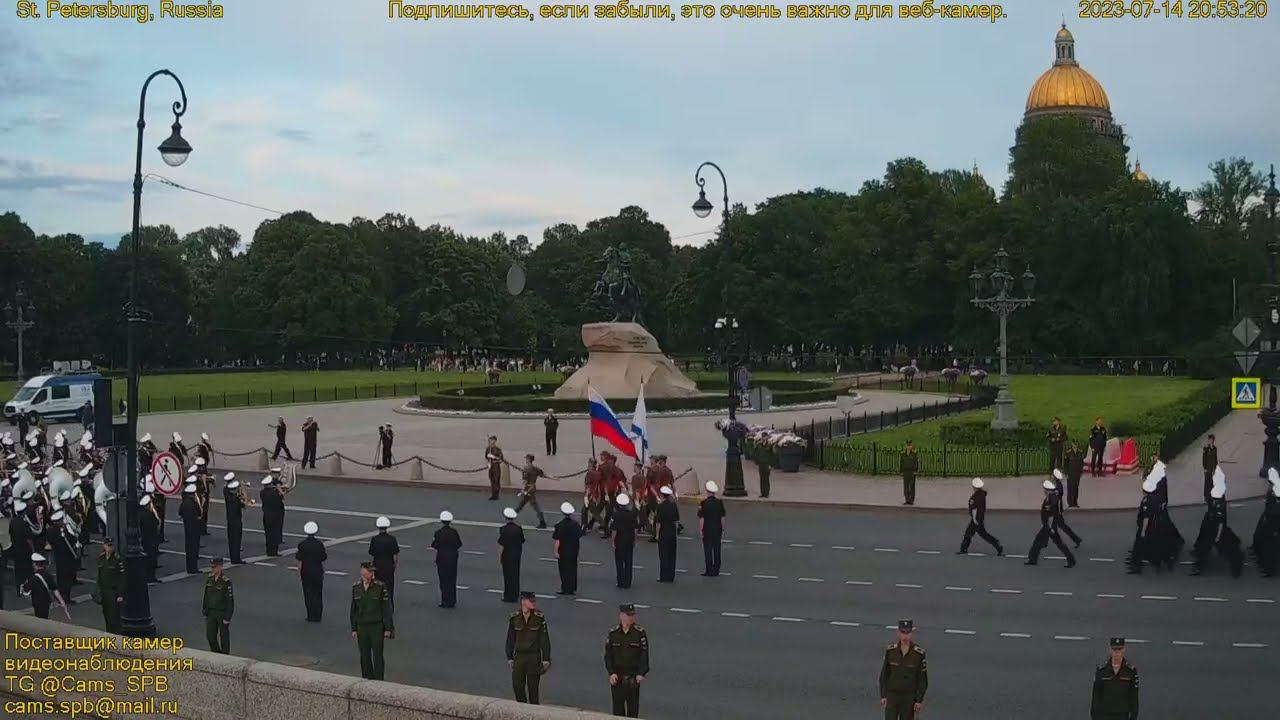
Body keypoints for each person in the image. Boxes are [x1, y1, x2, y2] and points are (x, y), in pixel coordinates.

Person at [1191, 467, 1244, 578]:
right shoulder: (1215, 495)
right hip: (1210, 523)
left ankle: (1236, 564)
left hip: (1216, 528)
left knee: (1226, 546)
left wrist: (1218, 536)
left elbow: (1220, 522)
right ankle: (1199, 560)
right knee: (1205, 544)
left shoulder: (1220, 503)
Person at [604, 603, 650, 717]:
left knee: (633, 709)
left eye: (632, 615)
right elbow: (608, 655)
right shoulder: (613, 633)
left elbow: (644, 654)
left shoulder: (639, 633)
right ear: (621, 616)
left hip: (633, 676)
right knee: (617, 709)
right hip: (618, 676)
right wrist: (611, 673)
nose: (631, 618)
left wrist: (641, 673)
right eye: (628, 615)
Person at [506, 592, 552, 704]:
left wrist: (546, 659)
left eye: (533, 601)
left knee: (533, 689)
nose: (533, 603)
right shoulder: (515, 617)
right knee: (517, 685)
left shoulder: (539, 618)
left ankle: (533, 711)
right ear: (523, 602)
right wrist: (509, 657)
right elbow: (510, 638)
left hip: (533, 657)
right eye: (530, 601)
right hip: (519, 656)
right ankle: (522, 709)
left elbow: (544, 639)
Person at [350, 561, 394, 680]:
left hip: (376, 626)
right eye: (368, 572)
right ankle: (367, 679)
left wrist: (388, 628)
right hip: (362, 626)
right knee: (364, 655)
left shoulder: (380, 587)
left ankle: (379, 680)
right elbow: (354, 610)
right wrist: (354, 628)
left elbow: (386, 608)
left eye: (371, 572)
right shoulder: (356, 587)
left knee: (378, 655)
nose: (371, 574)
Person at [879, 619, 928, 720]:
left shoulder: (918, 654)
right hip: (892, 695)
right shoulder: (891, 651)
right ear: (898, 632)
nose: (905, 636)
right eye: (903, 632)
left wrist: (919, 700)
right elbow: (884, 674)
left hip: (909, 697)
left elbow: (922, 679)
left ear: (911, 633)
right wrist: (883, 695)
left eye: (908, 633)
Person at [1026, 480, 1076, 567]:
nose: (1044, 491)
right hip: (1048, 526)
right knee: (1041, 542)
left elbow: (1052, 514)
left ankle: (1033, 559)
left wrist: (1051, 527)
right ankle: (1033, 559)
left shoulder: (1052, 499)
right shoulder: (1051, 497)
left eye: (1045, 489)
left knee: (1056, 543)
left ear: (1048, 490)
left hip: (1049, 527)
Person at [1090, 637, 1139, 720]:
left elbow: (1134, 696)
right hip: (1104, 715)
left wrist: (1133, 716)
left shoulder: (1130, 671)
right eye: (1114, 650)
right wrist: (1094, 716)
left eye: (1119, 649)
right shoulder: (1102, 670)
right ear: (1110, 650)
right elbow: (1096, 695)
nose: (1117, 653)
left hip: (1122, 715)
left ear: (1124, 650)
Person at [958, 478, 1003, 556]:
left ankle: (997, 545)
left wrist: (975, 519)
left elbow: (974, 509)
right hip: (979, 517)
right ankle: (963, 549)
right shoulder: (982, 494)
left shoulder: (976, 496)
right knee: (970, 533)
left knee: (980, 534)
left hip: (976, 518)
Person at [202, 557, 234, 654]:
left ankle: (225, 656)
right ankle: (216, 653)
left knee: (224, 637)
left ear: (220, 567)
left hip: (221, 612)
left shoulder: (226, 582)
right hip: (211, 612)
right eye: (212, 567)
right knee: (210, 636)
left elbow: (230, 601)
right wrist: (205, 610)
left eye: (215, 567)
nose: (213, 569)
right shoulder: (209, 579)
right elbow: (206, 596)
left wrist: (227, 617)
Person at [297, 521, 327, 622]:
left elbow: (299, 559)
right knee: (318, 593)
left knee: (308, 593)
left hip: (306, 571)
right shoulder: (319, 544)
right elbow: (323, 557)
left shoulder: (302, 545)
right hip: (317, 571)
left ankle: (310, 614)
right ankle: (318, 615)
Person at [431, 511, 462, 608]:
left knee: (443, 580)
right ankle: (452, 600)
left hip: (442, 558)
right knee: (452, 579)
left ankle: (445, 600)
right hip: (453, 558)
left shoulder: (438, 533)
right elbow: (459, 544)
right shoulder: (454, 532)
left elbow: (435, 545)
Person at [21, 553, 66, 619]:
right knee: (45, 617)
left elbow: (27, 590)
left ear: (34, 564)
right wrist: (62, 602)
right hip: (46, 602)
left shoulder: (32, 577)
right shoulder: (48, 575)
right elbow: (55, 590)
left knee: (39, 618)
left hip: (37, 602)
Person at [368, 516, 400, 604]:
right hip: (389, 567)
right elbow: (395, 555)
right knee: (389, 588)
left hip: (378, 567)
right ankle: (389, 605)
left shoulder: (374, 539)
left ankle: (379, 605)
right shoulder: (392, 539)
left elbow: (372, 554)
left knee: (378, 588)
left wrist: (371, 568)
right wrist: (394, 567)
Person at [48, 511, 79, 602]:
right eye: (60, 520)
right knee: (63, 577)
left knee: (66, 576)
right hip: (61, 556)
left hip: (67, 556)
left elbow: (72, 539)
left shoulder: (63, 529)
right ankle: (64, 596)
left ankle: (66, 596)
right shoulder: (52, 531)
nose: (62, 522)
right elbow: (56, 542)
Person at [698, 481, 726, 576]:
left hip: (707, 529)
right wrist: (723, 529)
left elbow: (702, 518)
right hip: (717, 529)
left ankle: (709, 569)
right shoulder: (719, 503)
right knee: (717, 549)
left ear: (707, 491)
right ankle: (716, 569)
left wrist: (701, 530)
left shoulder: (703, 503)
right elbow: (722, 517)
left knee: (708, 550)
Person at [553, 502, 582, 595]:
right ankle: (572, 588)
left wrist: (556, 551)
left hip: (563, 549)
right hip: (574, 549)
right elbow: (579, 535)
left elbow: (558, 540)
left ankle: (565, 588)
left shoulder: (559, 525)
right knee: (573, 568)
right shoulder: (576, 524)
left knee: (563, 569)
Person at [96, 538, 123, 633]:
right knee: (106, 614)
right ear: (104, 546)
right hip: (104, 590)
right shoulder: (101, 558)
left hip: (113, 591)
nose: (110, 548)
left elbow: (121, 578)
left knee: (114, 616)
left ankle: (115, 634)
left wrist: (120, 594)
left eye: (111, 546)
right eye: (108, 546)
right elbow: (99, 575)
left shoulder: (117, 559)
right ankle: (109, 633)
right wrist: (98, 589)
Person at [1050, 469, 1083, 548]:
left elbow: (1057, 499)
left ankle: (1076, 539)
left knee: (1062, 526)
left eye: (1053, 476)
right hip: (1056, 509)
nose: (1052, 477)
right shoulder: (1057, 485)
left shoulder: (1058, 486)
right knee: (1054, 527)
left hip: (1057, 510)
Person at [611, 493, 637, 589]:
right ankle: (628, 581)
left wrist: (613, 541)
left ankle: (620, 581)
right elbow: (635, 529)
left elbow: (614, 530)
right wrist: (635, 539)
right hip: (629, 539)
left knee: (619, 561)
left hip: (620, 539)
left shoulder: (616, 515)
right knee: (628, 561)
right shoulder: (632, 515)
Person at [498, 507, 524, 602]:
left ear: (506, 518)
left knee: (507, 576)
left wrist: (500, 557)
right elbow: (522, 540)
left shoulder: (503, 529)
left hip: (507, 554)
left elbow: (502, 545)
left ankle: (508, 595)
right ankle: (515, 594)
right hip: (516, 554)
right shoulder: (518, 529)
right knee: (515, 574)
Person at [515, 454, 548, 529]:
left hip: (528, 489)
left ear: (528, 459)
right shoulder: (536, 468)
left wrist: (523, 489)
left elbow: (525, 481)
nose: (526, 460)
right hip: (533, 487)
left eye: (526, 459)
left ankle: (542, 522)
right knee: (522, 503)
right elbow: (543, 474)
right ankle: (512, 515)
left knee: (535, 505)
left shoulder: (526, 469)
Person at [654, 486, 679, 582]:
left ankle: (664, 576)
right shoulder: (673, 505)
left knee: (663, 555)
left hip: (663, 532)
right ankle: (671, 576)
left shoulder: (660, 507)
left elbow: (658, 522)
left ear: (661, 495)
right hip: (672, 532)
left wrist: (657, 534)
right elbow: (676, 519)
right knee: (672, 555)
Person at [178, 482, 202, 575]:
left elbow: (180, 512)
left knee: (188, 548)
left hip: (187, 528)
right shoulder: (194, 504)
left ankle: (189, 568)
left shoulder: (184, 503)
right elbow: (199, 513)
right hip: (194, 528)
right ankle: (193, 568)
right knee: (194, 548)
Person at [260, 473, 287, 556]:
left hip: (266, 516)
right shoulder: (275, 493)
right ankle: (274, 551)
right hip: (275, 516)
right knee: (275, 533)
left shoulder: (262, 492)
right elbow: (281, 498)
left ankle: (269, 550)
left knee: (268, 533)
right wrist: (280, 490)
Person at [222, 473, 245, 564]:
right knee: (235, 539)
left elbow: (243, 504)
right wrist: (241, 492)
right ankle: (235, 559)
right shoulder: (230, 494)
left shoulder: (228, 491)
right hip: (234, 518)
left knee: (235, 539)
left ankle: (235, 557)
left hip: (233, 518)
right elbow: (240, 501)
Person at [138, 495, 161, 582]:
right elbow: (156, 523)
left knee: (148, 558)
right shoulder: (149, 514)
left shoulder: (141, 514)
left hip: (145, 539)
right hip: (151, 539)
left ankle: (148, 576)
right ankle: (150, 577)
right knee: (151, 558)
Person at [583, 458, 604, 533]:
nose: (588, 465)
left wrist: (587, 495)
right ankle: (585, 526)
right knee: (585, 511)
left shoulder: (590, 473)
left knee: (594, 513)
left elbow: (588, 485)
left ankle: (604, 527)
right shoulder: (598, 473)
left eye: (589, 464)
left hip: (590, 495)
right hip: (595, 494)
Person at [1064, 441, 1085, 508]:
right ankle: (1070, 503)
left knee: (1076, 488)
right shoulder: (1068, 453)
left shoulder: (1080, 452)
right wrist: (1066, 473)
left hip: (1077, 473)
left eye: (1076, 443)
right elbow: (1065, 464)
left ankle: (1075, 502)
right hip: (1070, 473)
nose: (1075, 445)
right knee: (1070, 488)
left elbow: (1082, 463)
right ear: (1072, 444)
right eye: (1074, 443)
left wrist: (1081, 472)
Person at [485, 436, 504, 501]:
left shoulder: (497, 449)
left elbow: (501, 459)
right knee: (492, 480)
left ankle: (496, 495)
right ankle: (493, 495)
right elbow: (486, 457)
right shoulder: (488, 449)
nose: (491, 441)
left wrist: (494, 457)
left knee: (496, 480)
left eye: (492, 440)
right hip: (490, 466)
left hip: (496, 466)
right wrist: (488, 463)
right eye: (490, 440)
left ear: (495, 441)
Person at [900, 441, 919, 505]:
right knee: (906, 486)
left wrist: (915, 471)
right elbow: (901, 463)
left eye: (910, 445)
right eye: (907, 446)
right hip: (905, 471)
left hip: (912, 471)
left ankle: (911, 500)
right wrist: (901, 471)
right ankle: (907, 499)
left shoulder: (914, 454)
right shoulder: (903, 454)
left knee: (911, 486)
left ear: (912, 446)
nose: (908, 447)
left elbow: (916, 462)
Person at [1201, 434, 1218, 506]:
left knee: (1212, 483)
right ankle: (1206, 497)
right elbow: (1204, 459)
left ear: (1213, 440)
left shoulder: (1215, 448)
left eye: (1211, 439)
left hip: (1212, 468)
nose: (1210, 440)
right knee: (1207, 483)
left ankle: (1212, 497)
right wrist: (1204, 468)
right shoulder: (1205, 448)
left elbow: (1215, 458)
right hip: (1207, 468)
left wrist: (1215, 468)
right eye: (1209, 439)